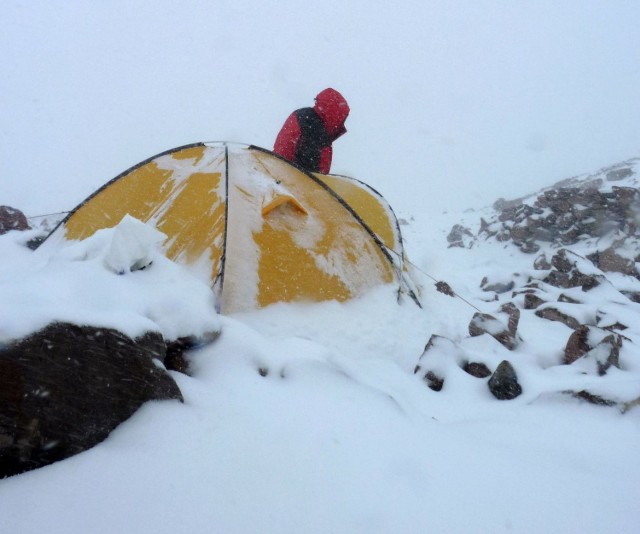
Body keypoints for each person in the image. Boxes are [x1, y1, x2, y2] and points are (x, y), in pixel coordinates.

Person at [273, 88, 350, 174]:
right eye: (341, 119)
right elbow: (319, 173)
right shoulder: (318, 133)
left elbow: (282, 149)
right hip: (294, 181)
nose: (341, 124)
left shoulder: (303, 116)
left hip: (282, 175)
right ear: (334, 116)